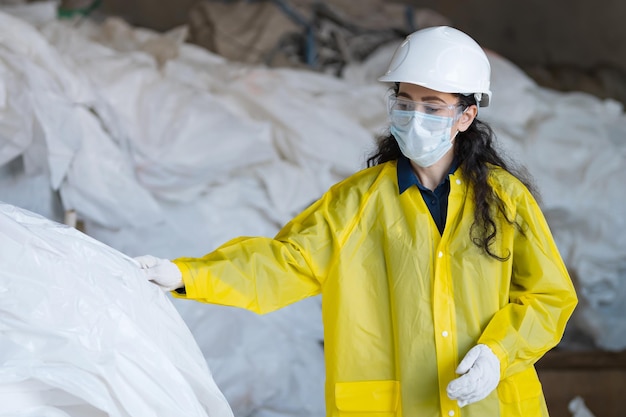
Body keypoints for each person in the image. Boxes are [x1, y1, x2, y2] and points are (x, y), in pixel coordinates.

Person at [135, 26, 578, 417]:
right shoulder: (358, 201)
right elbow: (284, 263)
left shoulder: (506, 199)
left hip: (492, 407)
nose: (415, 117)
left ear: (466, 116)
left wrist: (499, 354)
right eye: (405, 102)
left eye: (433, 106)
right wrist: (185, 274)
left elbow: (548, 297)